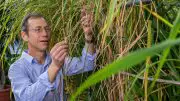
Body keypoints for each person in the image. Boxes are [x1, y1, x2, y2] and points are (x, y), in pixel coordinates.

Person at [8, 8, 96, 101]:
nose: (45, 34)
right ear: (24, 36)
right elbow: (26, 98)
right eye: (38, 29)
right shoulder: (17, 68)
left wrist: (88, 35)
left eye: (47, 29)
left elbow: (88, 64)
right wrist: (54, 67)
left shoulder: (56, 59)